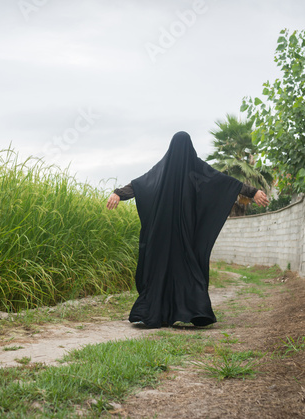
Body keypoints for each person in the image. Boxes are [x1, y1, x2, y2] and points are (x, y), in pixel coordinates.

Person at [107, 131, 269, 328]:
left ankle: (193, 312)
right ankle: (162, 312)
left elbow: (141, 185)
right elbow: (141, 184)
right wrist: (118, 193)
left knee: (176, 269)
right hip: (172, 233)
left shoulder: (172, 168)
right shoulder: (181, 168)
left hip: (174, 234)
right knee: (169, 270)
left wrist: (119, 193)